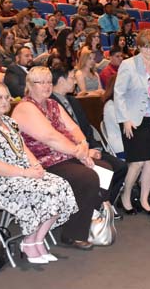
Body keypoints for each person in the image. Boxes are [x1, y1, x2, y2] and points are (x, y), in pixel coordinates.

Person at [0, 80, 75, 263]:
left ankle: (35, 240)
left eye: (7, 98)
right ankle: (29, 241)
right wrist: (25, 173)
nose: (5, 102)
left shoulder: (9, 122)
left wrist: (35, 166)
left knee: (61, 186)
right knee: (45, 191)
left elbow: (23, 148)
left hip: (21, 174)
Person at [10, 67, 112, 249]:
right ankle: (73, 234)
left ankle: (85, 219)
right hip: (44, 163)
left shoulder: (52, 104)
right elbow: (50, 137)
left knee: (105, 169)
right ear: (30, 85)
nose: (47, 86)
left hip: (67, 156)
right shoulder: (25, 107)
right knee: (88, 177)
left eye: (49, 81)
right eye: (41, 82)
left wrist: (83, 146)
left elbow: (73, 128)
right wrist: (79, 153)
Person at [49, 66, 127, 207]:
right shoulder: (50, 104)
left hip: (88, 147)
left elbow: (86, 129)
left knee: (120, 167)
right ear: (61, 80)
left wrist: (95, 146)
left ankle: (104, 203)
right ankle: (95, 207)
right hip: (71, 153)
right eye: (72, 78)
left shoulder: (73, 101)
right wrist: (84, 151)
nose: (75, 82)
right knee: (104, 170)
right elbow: (60, 135)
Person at [113, 29, 150, 215]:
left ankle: (145, 199)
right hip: (133, 120)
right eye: (146, 47)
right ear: (138, 47)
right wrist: (125, 120)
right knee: (136, 163)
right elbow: (119, 94)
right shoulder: (128, 64)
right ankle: (126, 196)